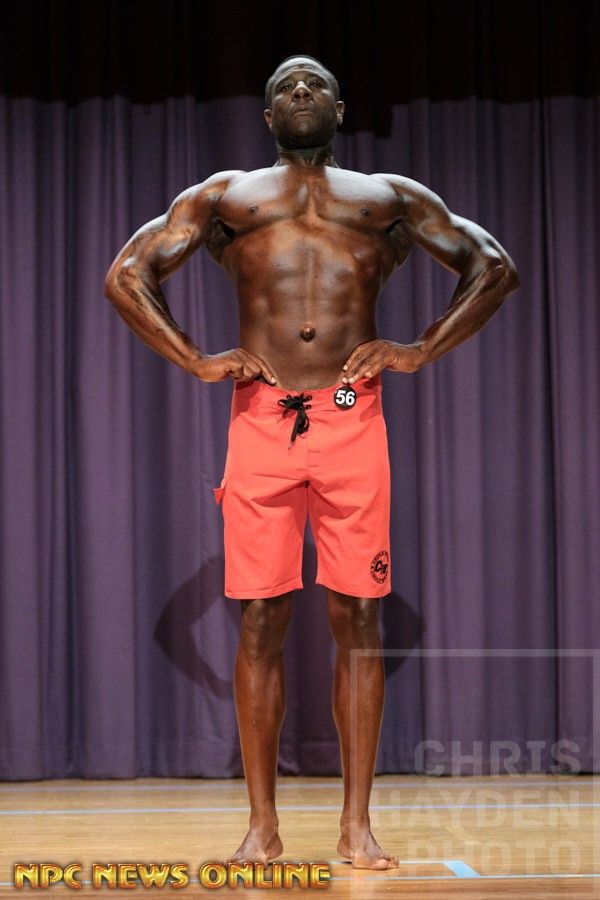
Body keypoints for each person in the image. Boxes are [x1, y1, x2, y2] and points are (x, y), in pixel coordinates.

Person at [104, 54, 519, 869]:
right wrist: (193, 358)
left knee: (358, 618)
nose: (300, 91)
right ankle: (262, 827)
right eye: (284, 87)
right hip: (261, 418)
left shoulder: (387, 197)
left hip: (350, 415)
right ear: (268, 117)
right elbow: (127, 275)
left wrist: (421, 348)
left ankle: (355, 826)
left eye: (314, 84)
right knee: (261, 617)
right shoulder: (227, 196)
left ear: (339, 107)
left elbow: (493, 267)